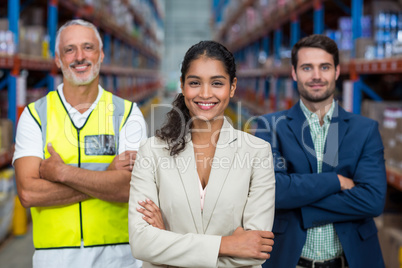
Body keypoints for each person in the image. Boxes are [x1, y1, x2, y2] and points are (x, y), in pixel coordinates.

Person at [128, 40, 276, 268]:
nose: (205, 94)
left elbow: (254, 250)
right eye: (195, 82)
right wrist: (226, 245)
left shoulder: (257, 153)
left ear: (232, 86)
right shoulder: (152, 151)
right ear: (182, 85)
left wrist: (166, 242)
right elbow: (141, 243)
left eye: (217, 83)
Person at [13, 19, 147, 268]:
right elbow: (29, 193)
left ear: (101, 55)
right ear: (57, 59)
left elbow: (129, 188)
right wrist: (106, 177)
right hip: (54, 257)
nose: (79, 56)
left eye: (88, 47)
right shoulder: (35, 116)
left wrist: (61, 173)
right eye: (69, 49)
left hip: (119, 256)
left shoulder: (127, 114)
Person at [255, 34, 387, 268]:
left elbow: (372, 201)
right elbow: (274, 192)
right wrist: (336, 181)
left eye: (324, 67)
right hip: (290, 261)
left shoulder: (364, 130)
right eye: (307, 67)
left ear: (336, 71)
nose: (316, 76)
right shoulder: (270, 127)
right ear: (294, 73)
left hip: (351, 261)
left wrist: (300, 205)